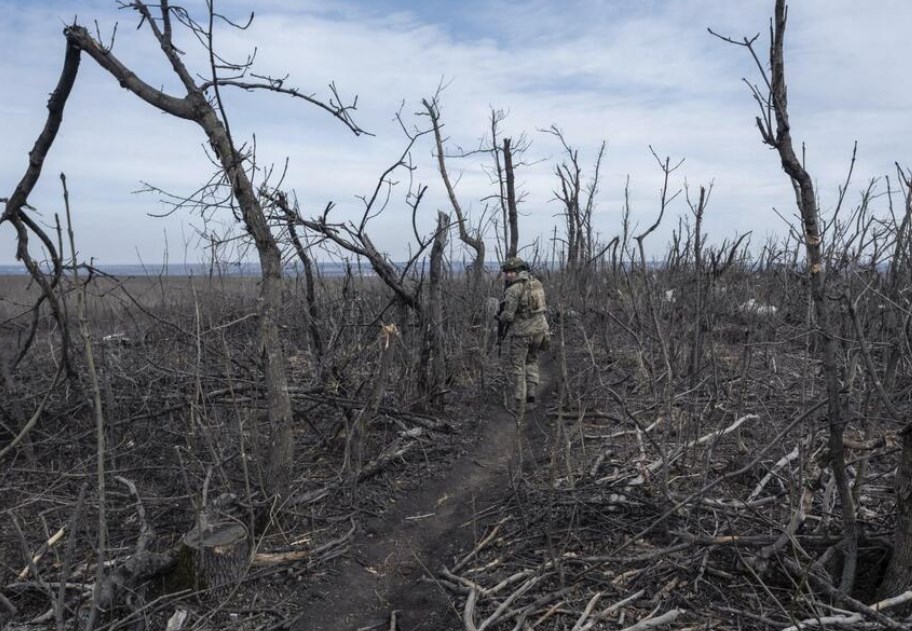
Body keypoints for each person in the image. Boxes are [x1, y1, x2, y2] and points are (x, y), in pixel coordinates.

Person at [496, 256, 550, 411]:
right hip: (540, 331)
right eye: (506, 272)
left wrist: (499, 316)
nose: (507, 275)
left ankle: (519, 403)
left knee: (518, 367)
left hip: (522, 334)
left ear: (518, 271)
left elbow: (508, 316)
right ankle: (531, 395)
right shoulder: (537, 283)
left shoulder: (513, 290)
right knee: (532, 361)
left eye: (510, 272)